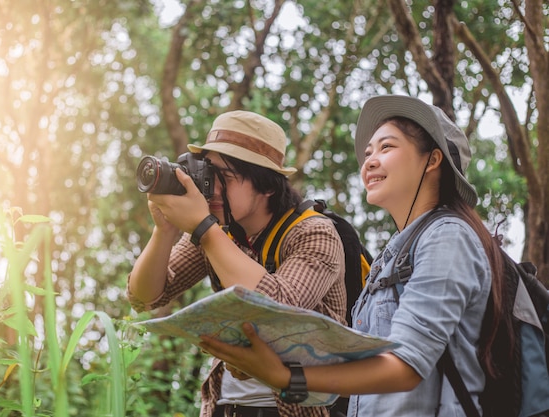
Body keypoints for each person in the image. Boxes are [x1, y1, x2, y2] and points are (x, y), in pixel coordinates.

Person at [200, 95, 507, 416]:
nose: (370, 161)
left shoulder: (448, 236)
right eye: (368, 152)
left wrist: (285, 377)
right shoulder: (392, 253)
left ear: (432, 160)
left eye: (386, 148)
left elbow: (407, 366)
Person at [127, 110, 347, 417]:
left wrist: (204, 228)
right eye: (207, 174)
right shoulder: (220, 231)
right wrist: (163, 231)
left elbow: (279, 305)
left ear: (267, 185)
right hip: (225, 407)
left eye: (225, 178)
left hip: (295, 410)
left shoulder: (314, 233)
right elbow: (144, 296)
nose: (212, 188)